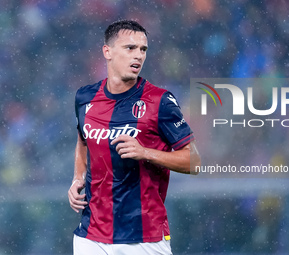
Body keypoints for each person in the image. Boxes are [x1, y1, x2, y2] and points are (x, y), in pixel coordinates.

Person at [67, 20, 201, 255]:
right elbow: (83, 141)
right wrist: (78, 178)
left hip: (143, 237)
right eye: (130, 48)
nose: (138, 55)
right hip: (91, 236)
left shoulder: (160, 102)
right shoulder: (84, 97)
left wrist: (145, 152)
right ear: (107, 52)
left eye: (143, 49)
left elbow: (194, 162)